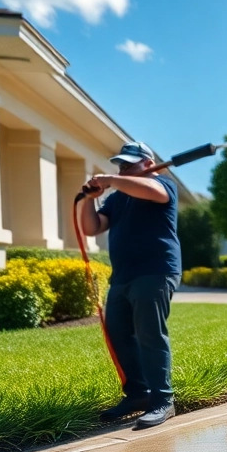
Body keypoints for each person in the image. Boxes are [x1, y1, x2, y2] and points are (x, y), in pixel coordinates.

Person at [77, 142, 181, 429]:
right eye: (120, 165)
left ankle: (163, 400)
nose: (122, 169)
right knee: (118, 333)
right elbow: (92, 227)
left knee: (150, 333)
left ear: (148, 163)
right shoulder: (119, 196)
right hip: (123, 275)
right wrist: (90, 200)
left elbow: (153, 193)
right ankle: (137, 395)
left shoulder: (162, 184)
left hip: (156, 270)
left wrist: (111, 180)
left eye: (129, 165)